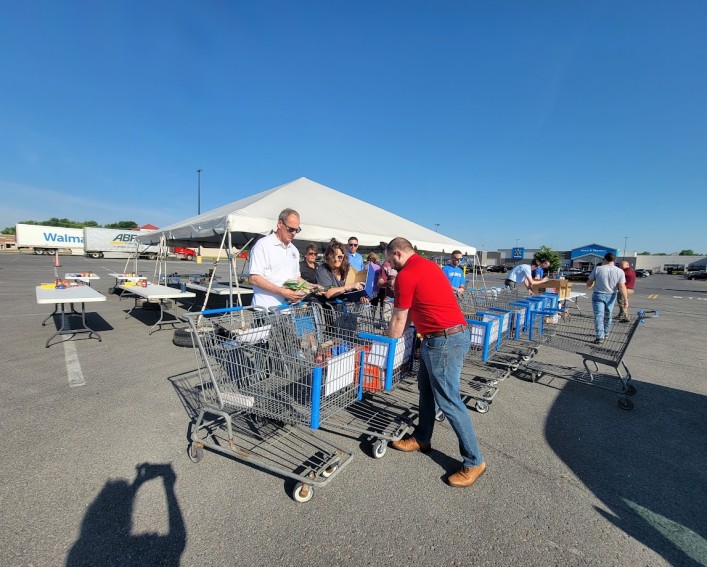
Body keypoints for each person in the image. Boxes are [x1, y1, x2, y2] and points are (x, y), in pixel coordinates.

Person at [386, 237, 486, 488]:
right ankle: (422, 437)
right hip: (445, 336)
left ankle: (474, 461)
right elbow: (412, 311)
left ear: (398, 254)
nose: (390, 265)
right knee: (427, 391)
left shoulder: (406, 275)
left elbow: (399, 321)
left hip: (443, 340)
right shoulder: (430, 266)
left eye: (390, 260)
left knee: (449, 401)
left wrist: (387, 350)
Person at [248, 208, 307, 308]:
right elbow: (254, 278)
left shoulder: (294, 250)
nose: (294, 233)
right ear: (280, 224)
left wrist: (313, 287)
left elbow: (296, 278)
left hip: (288, 310)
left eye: (297, 230)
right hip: (266, 310)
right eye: (291, 229)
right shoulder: (263, 245)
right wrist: (283, 292)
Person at [586, 253, 628, 344]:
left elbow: (589, 283)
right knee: (608, 315)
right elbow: (622, 286)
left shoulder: (598, 269)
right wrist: (626, 300)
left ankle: (599, 337)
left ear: (604, 259)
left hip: (598, 295)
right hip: (611, 295)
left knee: (599, 316)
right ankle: (606, 332)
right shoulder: (620, 271)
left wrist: (590, 284)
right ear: (614, 260)